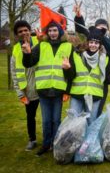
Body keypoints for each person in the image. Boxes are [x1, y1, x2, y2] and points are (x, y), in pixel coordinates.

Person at [22, 21, 75, 156]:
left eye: (55, 30)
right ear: (47, 33)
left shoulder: (68, 47)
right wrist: (27, 53)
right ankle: (46, 144)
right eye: (50, 31)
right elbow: (28, 64)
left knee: (56, 120)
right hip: (44, 90)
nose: (52, 33)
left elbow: (72, 73)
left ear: (60, 32)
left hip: (58, 90)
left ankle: (55, 144)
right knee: (46, 120)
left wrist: (67, 90)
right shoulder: (41, 46)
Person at [73, 2, 110, 116]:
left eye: (103, 29)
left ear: (106, 31)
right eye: (98, 28)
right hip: (83, 86)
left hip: (100, 87)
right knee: (79, 116)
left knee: (95, 114)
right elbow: (81, 30)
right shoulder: (89, 40)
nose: (100, 31)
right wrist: (79, 17)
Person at [69, 27, 108, 124]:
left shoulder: (104, 58)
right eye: (91, 42)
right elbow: (71, 74)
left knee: (91, 122)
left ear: (100, 45)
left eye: (96, 43)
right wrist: (67, 68)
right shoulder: (77, 54)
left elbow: (106, 79)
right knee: (74, 122)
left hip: (94, 95)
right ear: (87, 42)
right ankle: (76, 140)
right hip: (77, 94)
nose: (93, 45)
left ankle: (89, 140)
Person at [11, 20, 40, 151]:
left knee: (49, 117)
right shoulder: (16, 50)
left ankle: (51, 140)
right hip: (28, 90)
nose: (23, 33)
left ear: (30, 30)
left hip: (43, 87)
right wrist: (20, 94)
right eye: (20, 31)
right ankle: (32, 139)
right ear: (17, 35)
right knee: (30, 117)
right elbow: (14, 73)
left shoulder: (40, 42)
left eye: (25, 30)